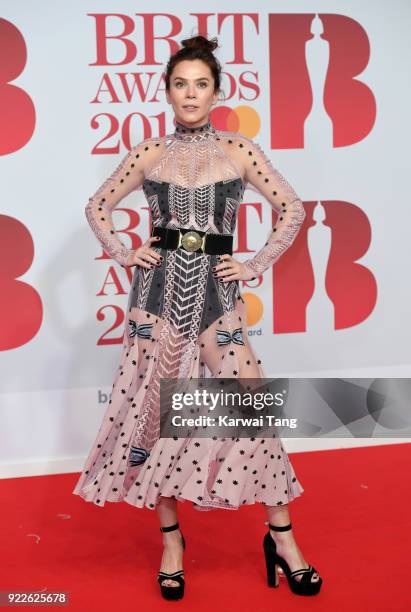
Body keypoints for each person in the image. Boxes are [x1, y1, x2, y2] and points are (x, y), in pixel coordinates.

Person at [73, 34, 323, 600]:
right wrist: (122, 250)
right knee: (158, 416)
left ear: (216, 92)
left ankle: (282, 540)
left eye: (201, 84)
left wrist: (255, 263)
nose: (190, 94)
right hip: (157, 294)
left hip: (215, 290)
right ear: (167, 91)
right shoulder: (149, 153)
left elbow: (293, 208)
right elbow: (97, 206)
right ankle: (172, 542)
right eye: (180, 84)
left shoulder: (238, 150)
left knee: (250, 408)